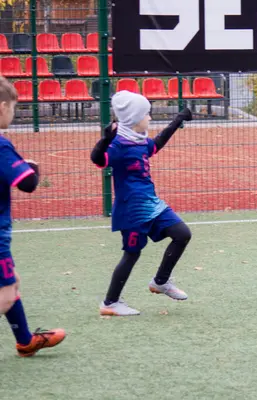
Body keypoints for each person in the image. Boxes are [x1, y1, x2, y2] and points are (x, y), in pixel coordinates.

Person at [90, 91, 193, 316]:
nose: (150, 118)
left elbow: (155, 145)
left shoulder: (139, 140)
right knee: (132, 254)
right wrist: (105, 139)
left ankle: (160, 282)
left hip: (152, 204)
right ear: (135, 118)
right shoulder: (118, 144)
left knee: (182, 233)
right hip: (132, 211)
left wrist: (177, 121)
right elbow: (98, 159)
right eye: (147, 114)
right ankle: (110, 303)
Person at [0, 76, 66, 356]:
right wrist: (31, 168)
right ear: (2, 107)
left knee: (12, 284)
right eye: (13, 108)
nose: (13, 114)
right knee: (5, 295)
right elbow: (27, 183)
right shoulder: (2, 145)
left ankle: (26, 341)